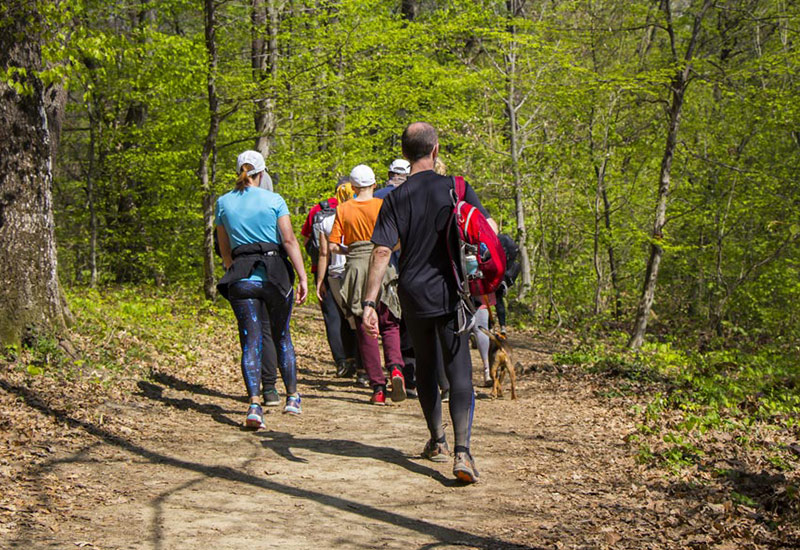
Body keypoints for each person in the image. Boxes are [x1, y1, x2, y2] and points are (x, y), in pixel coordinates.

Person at [364, 122, 498, 483]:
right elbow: (490, 229)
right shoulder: (456, 187)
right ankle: (463, 452)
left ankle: (437, 440)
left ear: (405, 156)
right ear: (435, 149)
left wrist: (368, 303)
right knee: (458, 370)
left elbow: (380, 251)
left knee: (425, 364)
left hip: (413, 291)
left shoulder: (393, 197)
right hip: (453, 291)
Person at [215, 150, 308, 428]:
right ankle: (292, 397)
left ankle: (255, 405)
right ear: (262, 173)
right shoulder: (274, 200)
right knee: (281, 336)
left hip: (242, 277)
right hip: (275, 275)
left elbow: (224, 249)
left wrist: (236, 271)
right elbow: (289, 240)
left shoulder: (223, 202)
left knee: (250, 341)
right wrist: (303, 276)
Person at [329, 164, 406, 405]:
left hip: (356, 267)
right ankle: (395, 369)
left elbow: (332, 246)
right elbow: (399, 239)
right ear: (374, 185)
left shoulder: (343, 209)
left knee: (366, 328)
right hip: (382, 265)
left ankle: (378, 389)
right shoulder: (383, 206)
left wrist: (350, 248)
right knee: (390, 322)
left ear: (352, 187)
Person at [301, 178, 357, 377]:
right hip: (354, 270)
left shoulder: (318, 210)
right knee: (354, 314)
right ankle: (359, 361)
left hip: (324, 271)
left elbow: (307, 239)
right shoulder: (358, 205)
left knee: (332, 317)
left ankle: (342, 362)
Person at [315, 180, 362, 380]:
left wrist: (320, 280)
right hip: (358, 271)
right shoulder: (360, 215)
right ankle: (362, 368)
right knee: (357, 319)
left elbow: (324, 254)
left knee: (344, 319)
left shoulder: (326, 221)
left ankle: (347, 362)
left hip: (335, 274)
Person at [495, 233, 520, 334]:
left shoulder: (498, 241)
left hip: (495, 276)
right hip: (503, 278)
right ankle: (503, 326)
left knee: (489, 301)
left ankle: (489, 326)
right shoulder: (510, 245)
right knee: (498, 301)